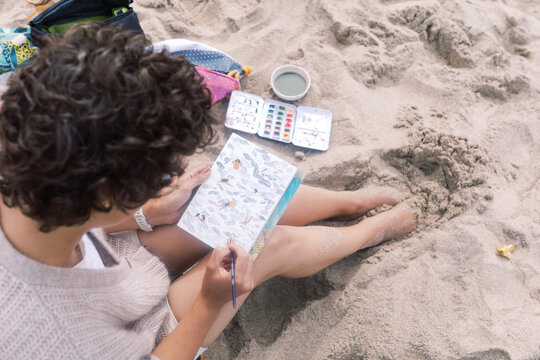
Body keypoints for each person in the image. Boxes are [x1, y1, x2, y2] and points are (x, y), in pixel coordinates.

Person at [0, 23, 415, 360]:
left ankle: (351, 202)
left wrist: (147, 212)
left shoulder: (27, 159)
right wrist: (209, 304)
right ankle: (369, 231)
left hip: (114, 260)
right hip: (145, 336)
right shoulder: (56, 342)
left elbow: (89, 209)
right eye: (158, 177)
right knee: (269, 245)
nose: (168, 175)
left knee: (228, 190)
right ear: (107, 195)